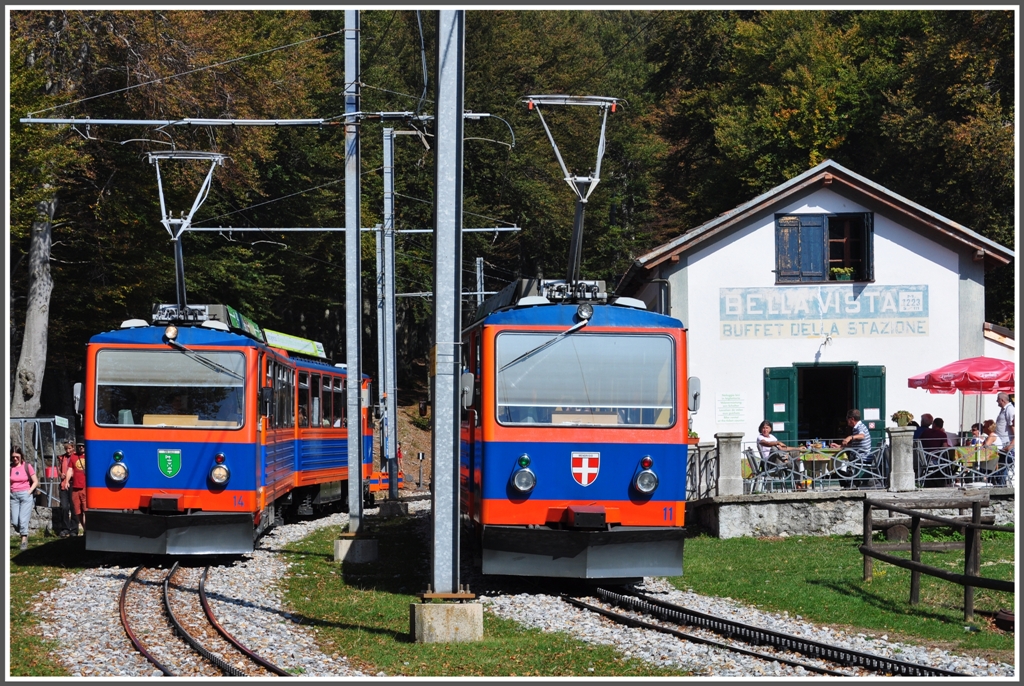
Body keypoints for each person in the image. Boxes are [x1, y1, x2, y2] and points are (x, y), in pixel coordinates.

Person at [10, 447, 39, 551]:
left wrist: (29, 492)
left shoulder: (27, 466)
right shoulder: (10, 468)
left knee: (23, 519)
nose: (15, 459)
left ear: (21, 456)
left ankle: (24, 539)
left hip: (25, 495)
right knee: (14, 522)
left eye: (17, 457)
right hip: (13, 496)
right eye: (13, 457)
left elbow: (35, 481)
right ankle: (22, 531)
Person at [57, 442, 80, 538]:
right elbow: (58, 469)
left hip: (74, 484)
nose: (68, 451)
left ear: (73, 448)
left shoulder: (77, 457)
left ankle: (74, 529)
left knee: (74, 507)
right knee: (64, 506)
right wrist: (60, 474)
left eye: (69, 448)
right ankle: (65, 528)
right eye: (66, 449)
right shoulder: (62, 458)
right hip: (64, 484)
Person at [70, 443, 88, 533]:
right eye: (79, 446)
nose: (81, 447)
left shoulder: (90, 456)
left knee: (86, 510)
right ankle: (85, 529)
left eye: (83, 446)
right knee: (78, 511)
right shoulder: (73, 457)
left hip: (85, 487)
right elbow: (70, 469)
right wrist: (66, 481)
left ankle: (87, 530)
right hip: (75, 487)